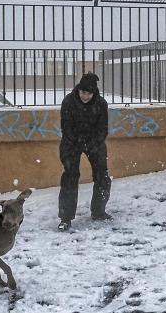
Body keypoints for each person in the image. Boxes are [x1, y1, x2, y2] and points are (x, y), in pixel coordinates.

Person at [57, 72, 112, 232]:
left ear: (94, 93)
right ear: (78, 90)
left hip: (94, 142)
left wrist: (93, 143)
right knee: (70, 176)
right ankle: (65, 218)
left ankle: (98, 211)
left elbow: (103, 128)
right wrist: (77, 141)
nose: (85, 96)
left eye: (89, 93)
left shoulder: (101, 104)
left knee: (103, 175)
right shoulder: (68, 101)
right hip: (71, 142)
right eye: (83, 92)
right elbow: (66, 126)